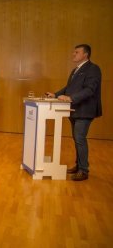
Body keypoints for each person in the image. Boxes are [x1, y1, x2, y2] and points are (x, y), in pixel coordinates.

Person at [46, 44, 102, 181]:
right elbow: (68, 88)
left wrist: (71, 98)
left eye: (76, 52)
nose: (73, 54)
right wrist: (55, 94)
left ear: (85, 54)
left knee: (80, 139)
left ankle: (84, 170)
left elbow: (90, 90)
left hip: (85, 110)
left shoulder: (93, 69)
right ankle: (78, 166)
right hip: (74, 110)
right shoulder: (75, 70)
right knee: (77, 139)